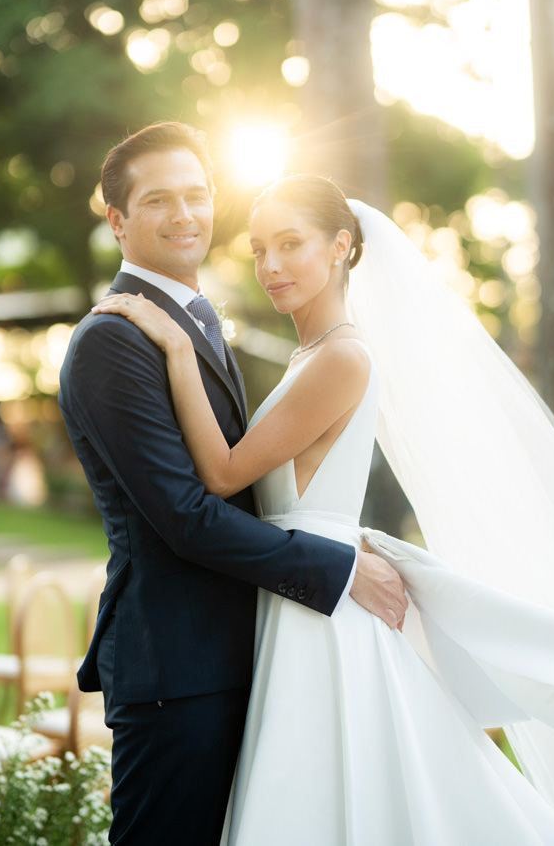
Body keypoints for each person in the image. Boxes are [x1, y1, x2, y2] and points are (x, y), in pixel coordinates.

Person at [95, 173, 554, 844]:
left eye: (291, 244)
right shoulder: (310, 355)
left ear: (341, 246)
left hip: (319, 617)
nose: (270, 266)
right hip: (302, 591)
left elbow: (224, 471)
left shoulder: (341, 357)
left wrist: (175, 346)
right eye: (259, 248)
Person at [58, 123, 408, 846]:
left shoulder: (195, 324)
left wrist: (344, 532)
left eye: (196, 194)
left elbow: (254, 485)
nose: (184, 214)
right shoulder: (113, 341)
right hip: (176, 669)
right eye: (159, 200)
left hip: (244, 652)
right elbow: (187, 515)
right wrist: (336, 567)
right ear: (118, 220)